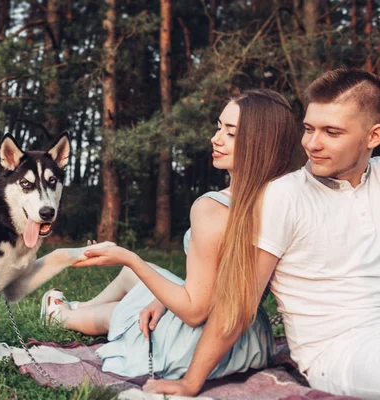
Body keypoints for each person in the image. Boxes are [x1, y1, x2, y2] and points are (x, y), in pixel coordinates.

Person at [144, 69, 380, 399]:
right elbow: (237, 305)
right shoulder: (284, 195)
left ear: (373, 136)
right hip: (339, 351)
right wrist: (190, 383)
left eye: (332, 132)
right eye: (309, 129)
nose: (312, 143)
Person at [40, 89, 304, 382]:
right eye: (219, 128)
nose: (215, 139)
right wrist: (162, 299)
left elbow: (195, 312)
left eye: (230, 133)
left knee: (134, 296)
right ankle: (81, 306)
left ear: (259, 143)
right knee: (146, 291)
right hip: (253, 343)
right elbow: (223, 283)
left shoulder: (212, 208)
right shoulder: (282, 199)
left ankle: (63, 316)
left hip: (198, 345)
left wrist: (129, 257)